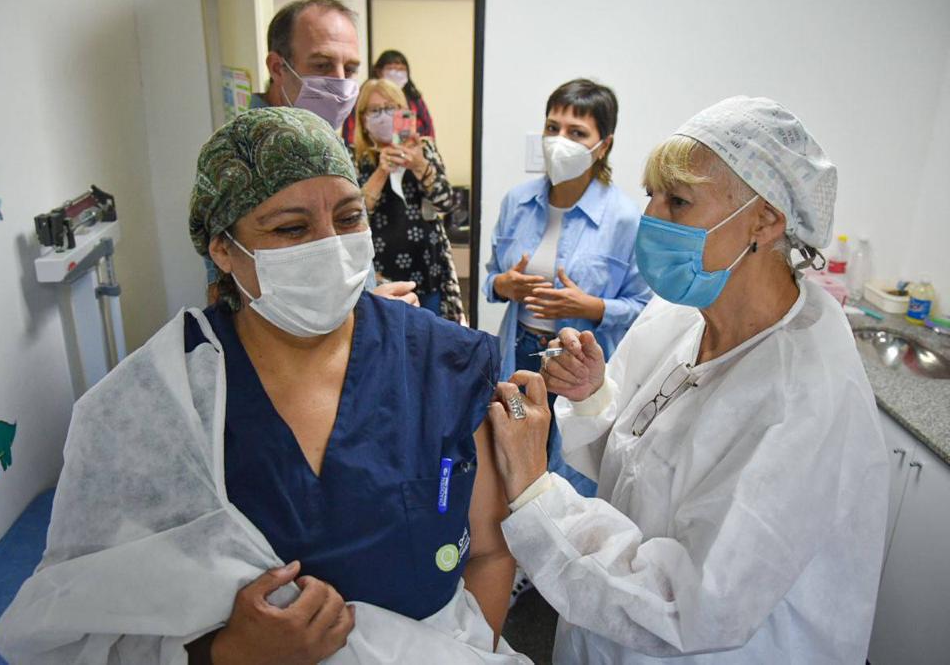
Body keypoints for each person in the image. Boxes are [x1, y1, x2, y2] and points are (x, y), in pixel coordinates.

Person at [0, 108, 526, 665]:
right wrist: (230, 653)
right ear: (223, 250)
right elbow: (81, 621)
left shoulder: (442, 360)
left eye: (349, 218)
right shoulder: (158, 403)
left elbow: (489, 554)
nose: (330, 245)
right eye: (292, 228)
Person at [486, 96, 889, 664]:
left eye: (677, 201)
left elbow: (691, 607)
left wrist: (537, 492)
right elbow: (637, 467)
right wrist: (593, 394)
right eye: (651, 195)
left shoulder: (806, 397)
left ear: (765, 219)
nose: (650, 218)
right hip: (607, 629)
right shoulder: (681, 313)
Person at [484, 79, 651, 491]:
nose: (560, 141)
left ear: (603, 145)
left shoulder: (624, 218)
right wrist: (503, 284)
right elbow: (491, 277)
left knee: (572, 469)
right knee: (513, 457)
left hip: (577, 365)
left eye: (577, 133)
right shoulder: (517, 202)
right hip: (519, 353)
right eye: (552, 127)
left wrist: (589, 307)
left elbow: (644, 308)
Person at [219, 0, 416, 307]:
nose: (340, 83)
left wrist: (370, 297)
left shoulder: (323, 139)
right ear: (278, 67)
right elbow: (241, 298)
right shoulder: (241, 155)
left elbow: (336, 252)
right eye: (322, 65)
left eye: (350, 69)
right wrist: (361, 311)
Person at [353, 78, 464, 321]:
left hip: (428, 270)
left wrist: (420, 165)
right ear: (363, 119)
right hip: (381, 276)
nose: (384, 116)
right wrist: (381, 171)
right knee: (390, 336)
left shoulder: (425, 149)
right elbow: (354, 216)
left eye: (391, 108)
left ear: (404, 113)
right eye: (375, 110)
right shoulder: (356, 157)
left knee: (431, 336)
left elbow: (446, 203)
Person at [342, 49, 436, 147]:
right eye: (391, 69)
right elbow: (351, 135)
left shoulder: (414, 99)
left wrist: (422, 150)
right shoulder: (364, 97)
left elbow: (428, 131)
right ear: (379, 71)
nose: (397, 74)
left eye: (401, 69)